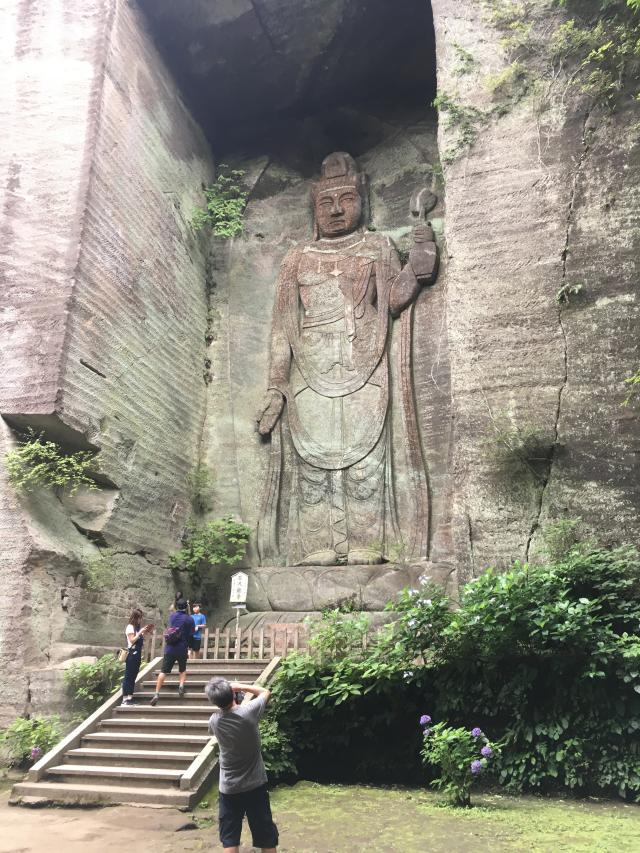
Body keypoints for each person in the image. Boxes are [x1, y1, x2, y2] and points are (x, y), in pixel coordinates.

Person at [206, 677, 278, 853]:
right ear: (233, 694)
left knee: (230, 839)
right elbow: (265, 692)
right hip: (255, 784)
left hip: (229, 787)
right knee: (266, 837)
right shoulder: (248, 713)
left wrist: (230, 694)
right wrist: (239, 686)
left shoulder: (214, 721)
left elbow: (228, 711)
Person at [150, 598, 195, 706]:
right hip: (182, 648)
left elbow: (171, 627)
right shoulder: (189, 619)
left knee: (163, 671)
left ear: (177, 606)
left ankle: (156, 693)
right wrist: (190, 648)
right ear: (186, 606)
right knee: (182, 669)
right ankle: (181, 686)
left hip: (170, 648)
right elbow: (191, 634)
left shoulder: (172, 616)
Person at [121, 609, 153, 706]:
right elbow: (132, 640)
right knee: (128, 676)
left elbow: (138, 639)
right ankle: (125, 699)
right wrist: (139, 633)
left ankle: (130, 698)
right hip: (131, 654)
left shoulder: (136, 628)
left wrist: (144, 632)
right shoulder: (130, 627)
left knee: (133, 676)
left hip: (137, 654)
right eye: (139, 618)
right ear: (135, 618)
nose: (140, 620)